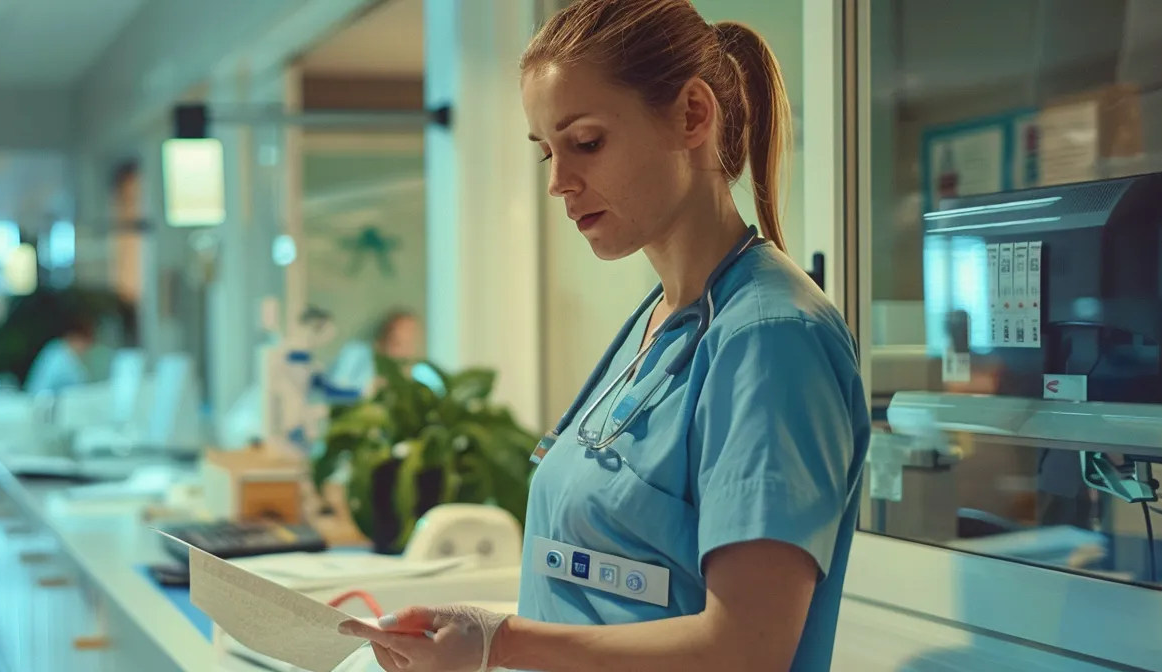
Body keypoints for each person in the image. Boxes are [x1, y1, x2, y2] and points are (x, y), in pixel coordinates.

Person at [339, 2, 870, 671]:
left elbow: (746, 648)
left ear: (692, 116)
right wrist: (466, 633)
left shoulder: (772, 341)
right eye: (547, 153)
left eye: (586, 142)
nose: (560, 182)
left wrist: (499, 642)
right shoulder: (658, 323)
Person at [25, 316, 96, 396]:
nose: (86, 349)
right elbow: (40, 387)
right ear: (75, 337)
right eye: (85, 343)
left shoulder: (70, 357)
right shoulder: (57, 355)